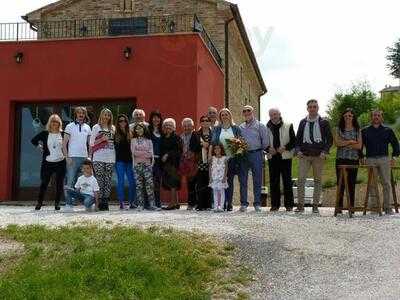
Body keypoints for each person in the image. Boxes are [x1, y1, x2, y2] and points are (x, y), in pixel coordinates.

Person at [295, 99, 333, 213]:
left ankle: (315, 206)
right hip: (304, 156)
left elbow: (329, 140)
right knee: (301, 179)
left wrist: (325, 151)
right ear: (307, 109)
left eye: (314, 107)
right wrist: (298, 150)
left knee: (317, 180)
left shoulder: (324, 122)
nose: (312, 108)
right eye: (310, 107)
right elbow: (298, 139)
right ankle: (300, 205)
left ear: (318, 108)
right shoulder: (302, 122)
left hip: (318, 156)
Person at [362, 109, 399, 215]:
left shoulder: (388, 130)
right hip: (370, 159)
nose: (376, 117)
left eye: (378, 115)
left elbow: (395, 144)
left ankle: (387, 207)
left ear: (381, 117)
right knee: (372, 184)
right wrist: (362, 156)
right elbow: (360, 146)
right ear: (371, 117)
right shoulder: (364, 131)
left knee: (386, 184)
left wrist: (394, 157)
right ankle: (374, 207)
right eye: (374, 115)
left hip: (384, 159)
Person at [31, 114, 66, 211]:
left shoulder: (63, 134)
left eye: (56, 121)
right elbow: (33, 140)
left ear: (59, 123)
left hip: (60, 162)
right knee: (44, 183)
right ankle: (39, 202)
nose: (55, 123)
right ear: (50, 123)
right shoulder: (45, 133)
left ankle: (57, 203)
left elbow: (68, 146)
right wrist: (40, 147)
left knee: (59, 183)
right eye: (53, 121)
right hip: (48, 162)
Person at [211, 108, 242, 211]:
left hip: (231, 158)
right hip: (219, 159)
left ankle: (228, 203)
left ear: (230, 116)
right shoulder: (217, 129)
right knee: (218, 180)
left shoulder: (235, 128)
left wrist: (236, 152)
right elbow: (213, 142)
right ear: (220, 117)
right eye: (222, 115)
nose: (224, 116)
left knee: (229, 181)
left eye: (226, 114)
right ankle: (219, 204)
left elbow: (240, 143)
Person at [239, 105, 269, 212]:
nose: (246, 112)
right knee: (243, 179)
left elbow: (265, 141)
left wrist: (261, 151)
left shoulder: (260, 125)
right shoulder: (240, 127)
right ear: (243, 113)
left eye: (249, 111)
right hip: (243, 155)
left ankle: (257, 203)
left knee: (257, 179)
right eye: (244, 111)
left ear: (253, 112)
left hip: (256, 154)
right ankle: (243, 203)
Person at [266, 108, 296, 212]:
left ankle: (289, 205)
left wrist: (285, 147)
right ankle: (275, 205)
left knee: (287, 181)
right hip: (272, 157)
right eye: (271, 115)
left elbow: (294, 141)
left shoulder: (289, 125)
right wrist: (268, 149)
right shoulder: (266, 127)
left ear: (279, 114)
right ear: (269, 116)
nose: (273, 116)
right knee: (274, 182)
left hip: (285, 157)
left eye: (275, 114)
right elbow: (263, 142)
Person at [334, 109, 362, 213]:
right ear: (343, 117)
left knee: (351, 184)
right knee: (340, 184)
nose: (348, 118)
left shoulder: (358, 130)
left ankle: (351, 208)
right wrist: (350, 142)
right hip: (341, 159)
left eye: (350, 116)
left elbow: (359, 146)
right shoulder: (338, 129)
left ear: (353, 117)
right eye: (345, 116)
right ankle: (339, 208)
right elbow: (337, 143)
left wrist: (344, 142)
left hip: (353, 160)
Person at [90, 108, 115, 211]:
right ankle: (99, 201)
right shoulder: (96, 127)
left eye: (108, 115)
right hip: (98, 157)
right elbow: (91, 143)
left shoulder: (113, 128)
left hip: (110, 157)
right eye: (105, 115)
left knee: (108, 180)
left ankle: (105, 201)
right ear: (101, 115)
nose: (106, 117)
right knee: (99, 179)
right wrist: (101, 139)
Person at [63, 107, 91, 190]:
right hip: (72, 158)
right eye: (79, 113)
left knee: (83, 183)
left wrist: (89, 156)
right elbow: (64, 144)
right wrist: (67, 157)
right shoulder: (69, 126)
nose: (81, 114)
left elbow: (90, 144)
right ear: (76, 114)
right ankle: (69, 202)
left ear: (85, 115)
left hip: (84, 158)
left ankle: (80, 201)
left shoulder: (88, 127)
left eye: (83, 113)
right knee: (70, 181)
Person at [131, 123, 157, 210]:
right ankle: (140, 205)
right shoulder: (133, 140)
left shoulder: (149, 141)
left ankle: (152, 205)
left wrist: (139, 153)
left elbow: (150, 155)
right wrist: (144, 152)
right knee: (139, 186)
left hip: (147, 166)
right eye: (137, 129)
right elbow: (133, 153)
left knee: (149, 185)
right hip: (137, 166)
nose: (139, 130)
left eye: (141, 128)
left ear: (144, 129)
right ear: (135, 131)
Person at [189, 115, 213, 210]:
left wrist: (208, 145)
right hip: (199, 162)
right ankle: (200, 205)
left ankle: (209, 205)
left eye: (207, 120)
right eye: (203, 120)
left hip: (211, 162)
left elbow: (217, 145)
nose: (205, 122)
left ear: (210, 122)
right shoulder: (195, 134)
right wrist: (201, 145)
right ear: (200, 123)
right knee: (200, 183)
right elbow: (192, 148)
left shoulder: (214, 133)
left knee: (209, 183)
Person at [160, 118, 183, 210]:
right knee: (170, 183)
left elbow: (179, 151)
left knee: (173, 183)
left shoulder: (177, 137)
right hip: (166, 165)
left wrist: (168, 154)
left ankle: (172, 203)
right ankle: (176, 203)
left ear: (174, 127)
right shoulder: (163, 137)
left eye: (170, 125)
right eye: (166, 125)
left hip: (174, 164)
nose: (168, 127)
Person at [114, 114, 136, 210]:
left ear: (127, 122)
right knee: (121, 182)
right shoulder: (115, 134)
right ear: (118, 123)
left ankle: (132, 202)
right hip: (119, 161)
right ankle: (121, 202)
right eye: (120, 121)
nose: (122, 122)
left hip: (130, 161)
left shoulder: (130, 133)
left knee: (132, 181)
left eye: (124, 120)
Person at [180, 118, 198, 210]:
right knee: (189, 183)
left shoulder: (196, 135)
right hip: (186, 163)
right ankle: (191, 203)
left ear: (192, 126)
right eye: (185, 126)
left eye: (188, 125)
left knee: (198, 183)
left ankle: (199, 203)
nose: (187, 127)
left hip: (196, 162)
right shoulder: (181, 136)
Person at [148, 111, 163, 208]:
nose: (156, 119)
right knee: (149, 182)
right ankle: (148, 203)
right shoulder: (147, 130)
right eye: (154, 117)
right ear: (151, 119)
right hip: (149, 159)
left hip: (159, 161)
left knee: (157, 182)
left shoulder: (162, 131)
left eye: (158, 117)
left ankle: (157, 203)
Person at [209, 143, 228, 212]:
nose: (217, 150)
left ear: (221, 149)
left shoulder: (224, 158)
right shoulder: (212, 158)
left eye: (218, 148)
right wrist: (210, 177)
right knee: (215, 192)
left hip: (221, 178)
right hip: (214, 177)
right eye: (215, 148)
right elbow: (210, 168)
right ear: (213, 150)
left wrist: (224, 177)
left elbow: (226, 169)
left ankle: (222, 207)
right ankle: (216, 206)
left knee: (222, 192)